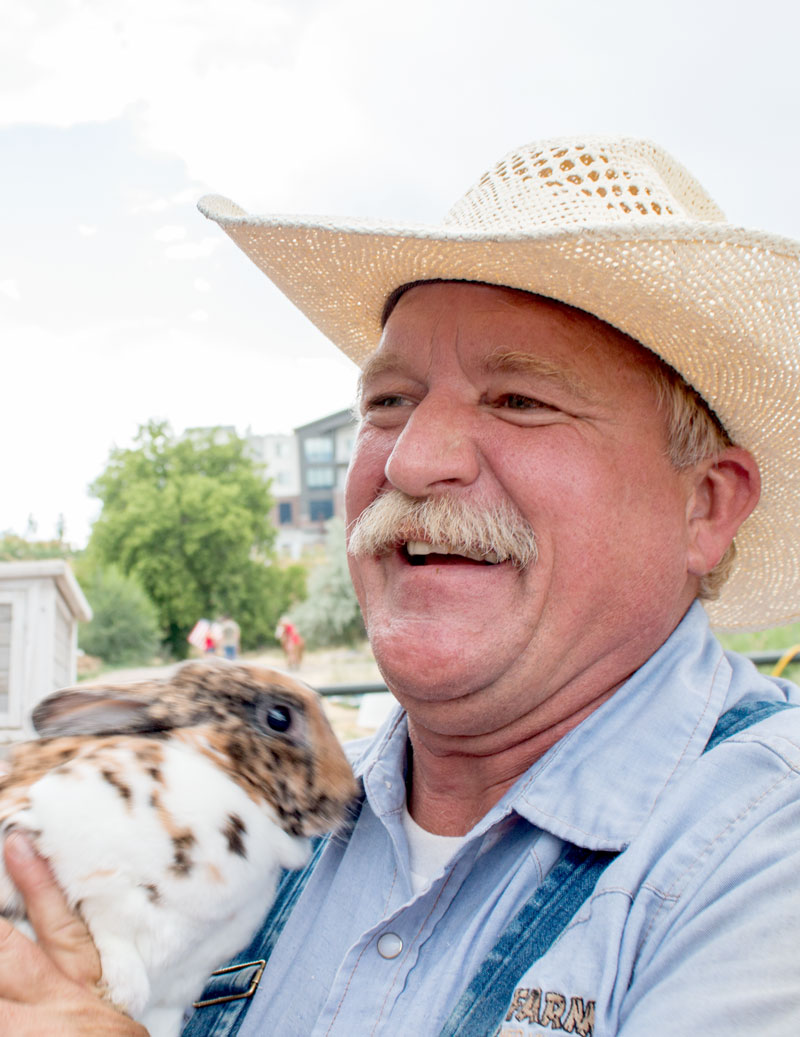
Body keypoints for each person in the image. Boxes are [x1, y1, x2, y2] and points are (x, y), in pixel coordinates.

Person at [3, 135, 800, 1035]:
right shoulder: (275, 815)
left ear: (706, 505)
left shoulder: (766, 845)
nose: (415, 459)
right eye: (388, 401)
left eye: (518, 400)